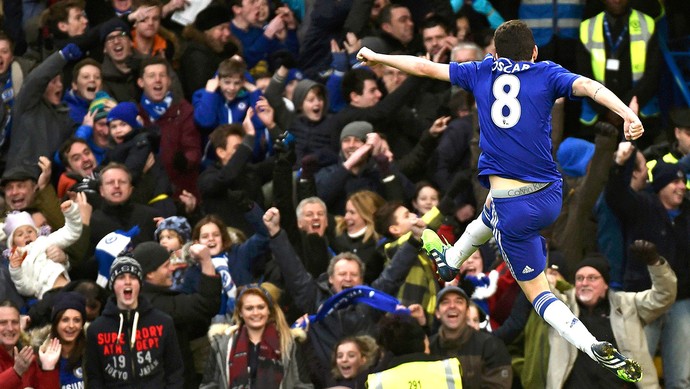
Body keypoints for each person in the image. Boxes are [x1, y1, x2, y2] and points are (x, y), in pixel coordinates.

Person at [356, 19, 646, 382]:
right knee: (489, 210)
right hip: (549, 194)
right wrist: (628, 114)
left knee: (539, 293)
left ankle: (590, 344)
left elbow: (424, 66)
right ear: (534, 53)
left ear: (495, 53)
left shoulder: (480, 71)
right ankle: (451, 260)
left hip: (513, 207)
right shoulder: (547, 72)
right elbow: (589, 86)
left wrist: (377, 56)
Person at [547, 244, 676, 388]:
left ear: (605, 284)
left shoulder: (627, 305)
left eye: (592, 278)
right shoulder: (562, 308)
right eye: (579, 278)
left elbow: (663, 296)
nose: (584, 283)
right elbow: (540, 291)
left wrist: (655, 264)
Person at [84, 255, 184, 387]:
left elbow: (175, 372)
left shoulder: (163, 322)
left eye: (133, 277)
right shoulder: (96, 329)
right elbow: (94, 378)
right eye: (121, 278)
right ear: (113, 285)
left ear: (140, 284)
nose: (127, 282)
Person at [200, 283, 312, 388]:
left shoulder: (288, 343)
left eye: (261, 307)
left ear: (269, 310)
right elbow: (209, 385)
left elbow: (303, 385)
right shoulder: (222, 344)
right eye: (249, 308)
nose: (255, 313)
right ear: (240, 312)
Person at [430, 285, 513, 388]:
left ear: (467, 311)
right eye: (445, 302)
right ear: (437, 313)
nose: (452, 306)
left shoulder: (491, 345)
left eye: (459, 302)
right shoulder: (428, 348)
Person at [4, 198, 83, 299]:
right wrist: (15, 269)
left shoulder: (46, 241)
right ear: (13, 243)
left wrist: (71, 213)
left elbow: (71, 232)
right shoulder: (19, 262)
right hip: (47, 298)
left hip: (67, 287)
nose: (26, 235)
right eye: (20, 234)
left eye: (30, 231)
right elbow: (27, 289)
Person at [0, 300, 62, 388]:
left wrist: (48, 368)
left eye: (14, 322)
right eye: (3, 322)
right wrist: (15, 372)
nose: (10, 328)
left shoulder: (29, 358)